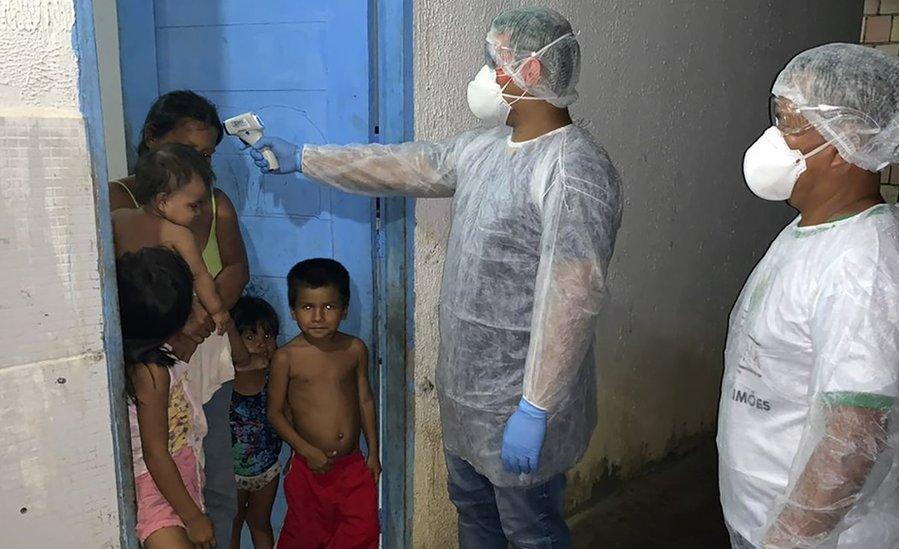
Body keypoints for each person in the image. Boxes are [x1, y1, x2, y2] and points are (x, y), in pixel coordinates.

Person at [246, 8, 621, 546]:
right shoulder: (483, 150)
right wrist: (305, 158)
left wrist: (536, 406)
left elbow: (573, 297)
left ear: (531, 72)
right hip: (468, 397)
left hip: (519, 404)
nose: (485, 74)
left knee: (530, 532)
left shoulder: (572, 169)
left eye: (493, 62)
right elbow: (403, 165)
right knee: (475, 517)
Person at [718, 43, 899, 549]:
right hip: (761, 516)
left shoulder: (866, 266)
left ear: (843, 139)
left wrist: (787, 541)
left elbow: (852, 436)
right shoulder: (813, 231)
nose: (774, 139)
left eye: (790, 123)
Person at [111, 90, 249, 548]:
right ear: (154, 139)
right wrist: (176, 324)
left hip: (202, 353)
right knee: (155, 469)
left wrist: (205, 323)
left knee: (213, 474)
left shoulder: (211, 202)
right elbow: (116, 283)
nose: (202, 165)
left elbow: (233, 269)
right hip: (151, 353)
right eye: (191, 152)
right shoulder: (116, 203)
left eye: (208, 155)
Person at [119, 247, 250, 548]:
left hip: (182, 480)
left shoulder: (159, 357)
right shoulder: (150, 372)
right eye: (191, 301)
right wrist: (192, 517)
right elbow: (155, 453)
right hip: (159, 492)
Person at [266, 258, 380, 548]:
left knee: (361, 531)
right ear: (293, 311)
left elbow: (365, 400)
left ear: (344, 310)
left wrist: (373, 454)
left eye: (329, 307)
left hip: (352, 465)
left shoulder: (354, 350)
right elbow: (275, 414)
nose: (318, 317)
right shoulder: (286, 358)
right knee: (305, 536)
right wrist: (305, 450)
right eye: (307, 307)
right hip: (308, 468)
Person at [113, 144, 230, 334]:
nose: (199, 213)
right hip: (165, 315)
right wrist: (217, 310)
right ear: (163, 201)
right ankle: (243, 362)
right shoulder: (179, 235)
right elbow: (200, 276)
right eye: (193, 206)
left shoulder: (117, 218)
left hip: (127, 312)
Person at [228, 297, 282, 549]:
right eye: (250, 337)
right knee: (232, 523)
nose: (262, 343)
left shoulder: (276, 375)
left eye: (268, 335)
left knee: (261, 523)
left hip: (267, 470)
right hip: (230, 474)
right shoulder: (224, 376)